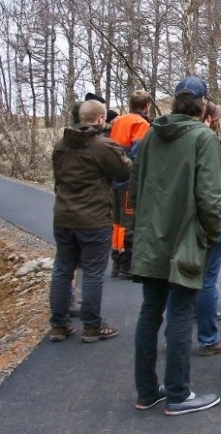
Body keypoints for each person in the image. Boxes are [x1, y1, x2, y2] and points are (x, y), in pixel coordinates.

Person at [131, 76, 221, 415]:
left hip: (150, 237)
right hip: (185, 238)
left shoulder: (152, 135)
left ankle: (146, 391)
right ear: (203, 104)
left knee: (150, 311)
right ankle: (178, 395)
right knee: (181, 312)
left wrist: (136, 230)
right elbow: (209, 198)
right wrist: (212, 235)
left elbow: (135, 186)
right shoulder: (204, 138)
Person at [48, 99, 132, 344]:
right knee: (94, 273)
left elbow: (58, 177)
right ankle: (92, 326)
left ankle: (59, 324)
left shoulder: (60, 144)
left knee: (63, 269)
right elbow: (125, 171)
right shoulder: (102, 146)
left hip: (63, 215)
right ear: (100, 118)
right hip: (93, 218)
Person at [195, 101, 221, 357]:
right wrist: (218, 213)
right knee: (207, 280)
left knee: (177, 281)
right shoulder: (212, 142)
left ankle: (173, 336)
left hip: (174, 224)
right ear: (208, 118)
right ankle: (208, 338)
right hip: (207, 220)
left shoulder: (164, 139)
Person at [107, 90, 152, 279]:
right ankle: (127, 265)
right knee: (129, 221)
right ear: (146, 106)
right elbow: (138, 153)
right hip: (128, 179)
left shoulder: (118, 121)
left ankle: (117, 260)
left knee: (117, 221)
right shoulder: (140, 123)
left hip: (114, 176)